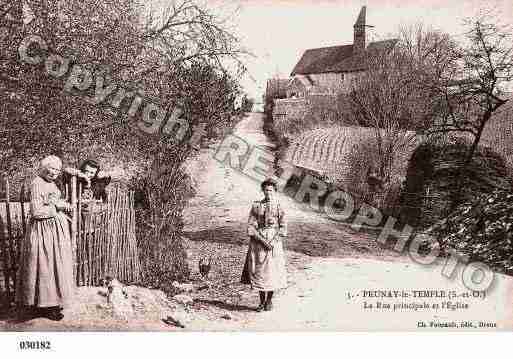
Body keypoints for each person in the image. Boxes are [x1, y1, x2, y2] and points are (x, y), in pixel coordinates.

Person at [16, 155, 75, 321]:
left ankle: (53, 302)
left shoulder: (51, 183)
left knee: (56, 266)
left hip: (54, 232)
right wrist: (57, 207)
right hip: (43, 232)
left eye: (57, 169)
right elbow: (36, 211)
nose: (55, 172)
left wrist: (62, 204)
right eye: (52, 168)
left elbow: (53, 201)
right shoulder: (37, 183)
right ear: (43, 168)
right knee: (44, 266)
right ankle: (44, 305)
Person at [241, 178, 287, 312]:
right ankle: (261, 302)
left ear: (275, 192)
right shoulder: (256, 206)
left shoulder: (279, 206)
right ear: (263, 191)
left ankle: (269, 301)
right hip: (258, 242)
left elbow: (283, 227)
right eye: (266, 190)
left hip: (274, 242)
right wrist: (261, 240)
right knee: (260, 271)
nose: (268, 193)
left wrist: (273, 241)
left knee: (272, 271)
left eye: (271, 190)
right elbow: (250, 226)